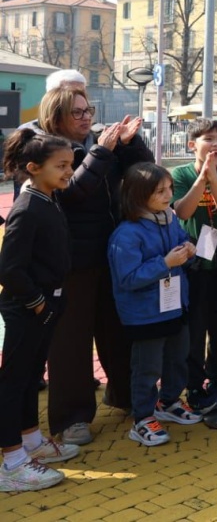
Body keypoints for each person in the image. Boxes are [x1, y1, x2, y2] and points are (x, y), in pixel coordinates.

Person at [39, 86, 152, 446]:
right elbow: (71, 193)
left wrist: (130, 144)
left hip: (113, 255)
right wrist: (102, 151)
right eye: (77, 112)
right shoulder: (46, 149)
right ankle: (71, 417)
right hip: (71, 262)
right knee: (71, 342)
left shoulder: (104, 144)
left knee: (118, 330)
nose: (86, 117)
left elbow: (145, 174)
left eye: (88, 110)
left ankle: (126, 395)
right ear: (56, 116)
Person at [0, 130, 77, 492]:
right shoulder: (28, 208)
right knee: (13, 382)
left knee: (32, 375)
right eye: (61, 166)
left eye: (70, 165)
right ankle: (12, 462)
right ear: (33, 168)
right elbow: (10, 270)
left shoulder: (48, 199)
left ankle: (31, 440)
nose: (69, 172)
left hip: (46, 305)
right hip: (26, 308)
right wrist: (39, 303)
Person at [108, 163, 203, 447]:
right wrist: (165, 263)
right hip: (145, 314)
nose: (168, 195)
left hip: (175, 306)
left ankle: (169, 402)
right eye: (160, 191)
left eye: (169, 189)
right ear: (139, 195)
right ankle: (142, 417)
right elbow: (127, 278)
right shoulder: (126, 233)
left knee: (177, 357)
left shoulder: (169, 219)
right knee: (147, 367)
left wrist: (189, 249)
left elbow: (181, 241)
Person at [171, 119, 217, 414]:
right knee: (195, 325)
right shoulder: (180, 173)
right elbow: (182, 211)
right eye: (209, 139)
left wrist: (215, 176)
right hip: (193, 256)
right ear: (192, 145)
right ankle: (193, 384)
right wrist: (202, 178)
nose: (216, 144)